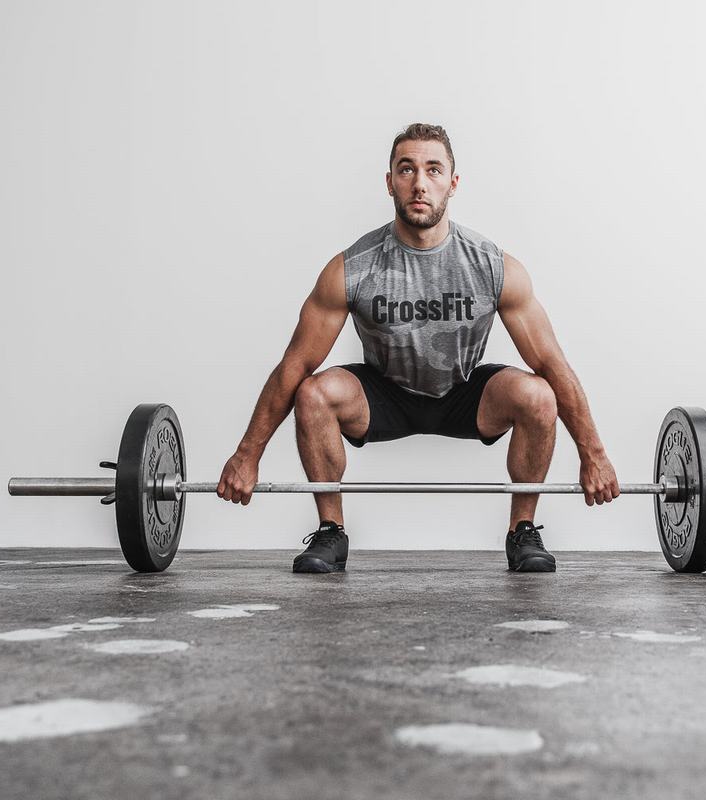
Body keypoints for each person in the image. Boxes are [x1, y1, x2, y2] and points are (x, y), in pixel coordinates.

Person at [216, 123, 620, 573]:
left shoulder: (492, 265)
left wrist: (594, 456)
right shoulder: (353, 268)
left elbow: (551, 362)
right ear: (389, 181)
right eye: (406, 169)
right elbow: (295, 364)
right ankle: (331, 532)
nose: (420, 183)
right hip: (385, 394)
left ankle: (522, 531)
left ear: (453, 182)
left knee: (539, 394)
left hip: (464, 391)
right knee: (313, 391)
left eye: (433, 169)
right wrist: (246, 455)